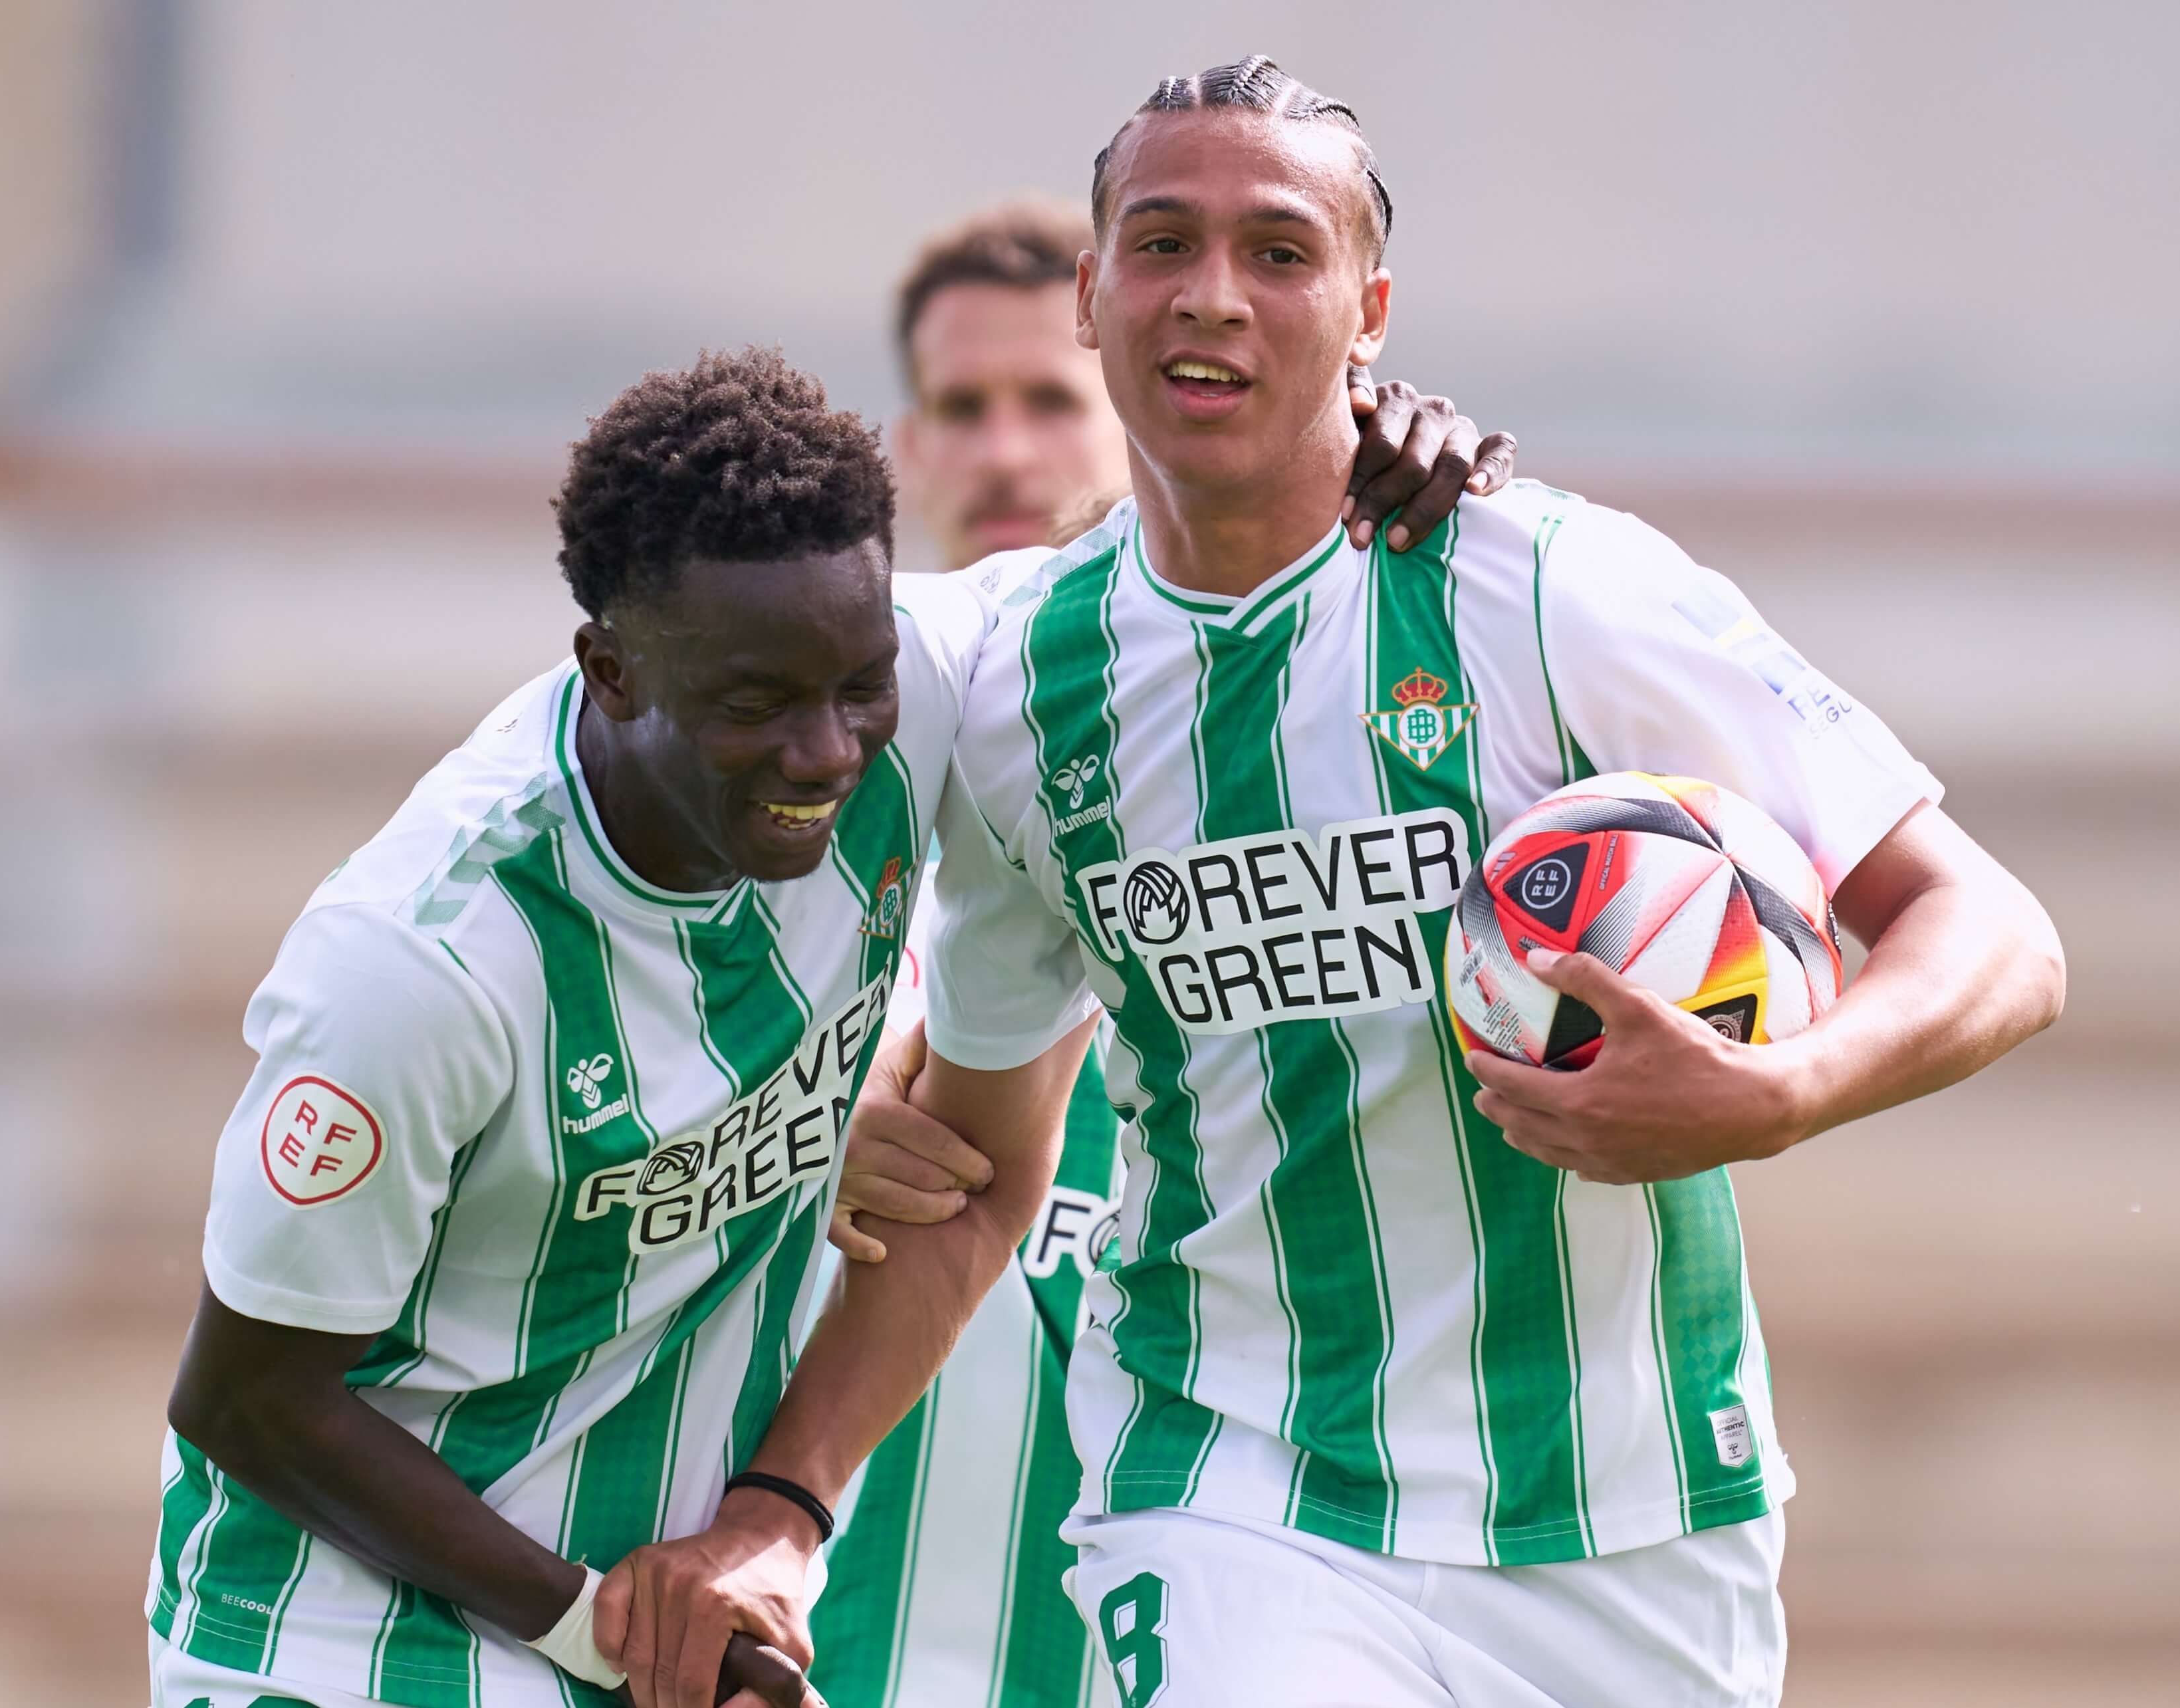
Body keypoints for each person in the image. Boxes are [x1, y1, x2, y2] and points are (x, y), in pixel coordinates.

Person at [838, 56, 2066, 1707]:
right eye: (1161, 243)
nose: (1213, 296)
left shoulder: (1554, 588)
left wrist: (1780, 1091)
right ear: (1089, 289)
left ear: (1370, 309)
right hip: (1233, 1483)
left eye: (1281, 252)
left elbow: (1993, 928)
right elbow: (982, 1159)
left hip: (1631, 1507)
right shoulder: (1017, 683)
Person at [146, 344, 1505, 1708]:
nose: (826, 753)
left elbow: (1163, 583)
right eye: (756, 708)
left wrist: (1339, 438)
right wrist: (599, 1628)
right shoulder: (424, 966)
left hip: (647, 1618)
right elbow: (247, 1398)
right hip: (332, 1634)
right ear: (611, 672)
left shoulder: (926, 679)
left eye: (858, 688)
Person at [810, 201, 1513, 1708]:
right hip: (827, 1652)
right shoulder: (793, 805)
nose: (1006, 452)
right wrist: (781, 1117)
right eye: (961, 410)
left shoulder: (1264, 830)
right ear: (907, 450)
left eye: (1046, 401)